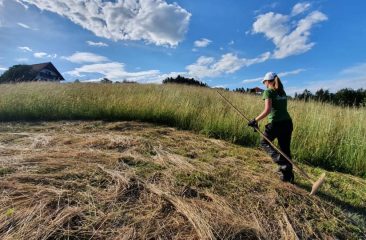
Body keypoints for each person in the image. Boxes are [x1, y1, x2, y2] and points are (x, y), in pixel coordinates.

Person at [247, 72, 294, 183]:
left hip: (276, 124)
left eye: (264, 82)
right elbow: (265, 92)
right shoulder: (282, 92)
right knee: (285, 150)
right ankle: (288, 176)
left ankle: (282, 164)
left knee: (264, 142)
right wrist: (254, 90)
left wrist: (255, 120)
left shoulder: (268, 91)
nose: (264, 85)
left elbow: (267, 110)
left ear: (268, 81)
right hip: (287, 123)